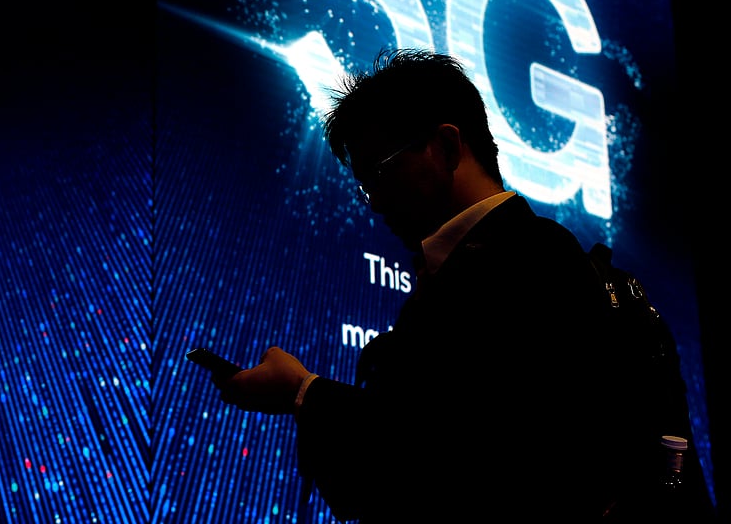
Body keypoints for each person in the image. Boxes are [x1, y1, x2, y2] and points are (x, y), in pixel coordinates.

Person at [207, 48, 713, 523]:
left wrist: (301, 391)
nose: (375, 203)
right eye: (364, 186)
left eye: (380, 173)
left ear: (447, 146)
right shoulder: (528, 257)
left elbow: (438, 466)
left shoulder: (521, 265)